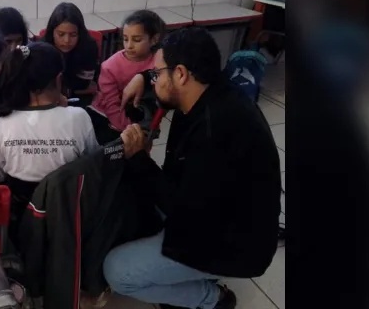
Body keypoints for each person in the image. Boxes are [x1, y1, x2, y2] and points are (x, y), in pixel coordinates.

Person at [103, 27, 282, 309]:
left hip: (231, 244)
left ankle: (212, 299)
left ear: (182, 74)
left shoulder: (215, 133)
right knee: (136, 205)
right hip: (217, 214)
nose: (154, 80)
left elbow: (183, 211)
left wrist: (138, 158)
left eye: (156, 74)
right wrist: (142, 78)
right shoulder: (211, 92)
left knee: (117, 271)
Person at [0, 42, 99, 245]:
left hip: (22, 220)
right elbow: (93, 164)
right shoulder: (78, 117)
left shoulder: (1, 123)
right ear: (58, 79)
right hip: (69, 216)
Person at [89, 10, 165, 143]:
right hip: (111, 118)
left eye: (137, 40)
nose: (129, 45)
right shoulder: (110, 67)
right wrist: (130, 131)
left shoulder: (158, 61)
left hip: (142, 116)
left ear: (154, 39)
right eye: (125, 39)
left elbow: (160, 81)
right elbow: (111, 106)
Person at [41, 2, 99, 106]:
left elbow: (82, 85)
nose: (67, 40)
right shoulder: (43, 48)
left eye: (73, 35)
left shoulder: (89, 47)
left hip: (79, 99)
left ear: (80, 33)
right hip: (50, 100)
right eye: (61, 34)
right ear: (52, 32)